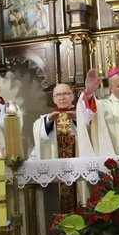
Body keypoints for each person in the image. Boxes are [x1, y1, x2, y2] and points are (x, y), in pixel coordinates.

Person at [32, 83, 80, 213]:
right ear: (53, 99)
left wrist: (77, 119)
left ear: (72, 96)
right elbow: (40, 135)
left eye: (65, 94)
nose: (62, 97)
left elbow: (88, 131)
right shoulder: (45, 120)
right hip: (58, 176)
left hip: (77, 172)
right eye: (58, 95)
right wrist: (48, 120)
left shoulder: (81, 115)